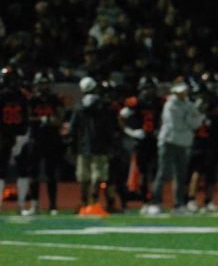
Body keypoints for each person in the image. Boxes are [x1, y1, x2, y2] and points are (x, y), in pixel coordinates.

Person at [144, 79, 203, 216]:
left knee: (181, 174)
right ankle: (155, 203)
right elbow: (177, 125)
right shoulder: (170, 105)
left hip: (183, 143)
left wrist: (190, 119)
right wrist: (190, 119)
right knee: (163, 173)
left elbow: (196, 123)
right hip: (168, 141)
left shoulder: (188, 104)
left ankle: (179, 205)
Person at [68, 76, 115, 215]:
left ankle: (84, 202)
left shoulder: (78, 108)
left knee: (84, 177)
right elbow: (108, 128)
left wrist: (71, 147)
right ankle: (94, 203)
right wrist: (112, 145)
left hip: (83, 147)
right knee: (98, 176)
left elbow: (73, 130)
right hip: (100, 146)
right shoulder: (103, 106)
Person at [23, 71, 64, 215]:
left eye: (46, 83)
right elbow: (26, 118)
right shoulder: (32, 100)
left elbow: (60, 117)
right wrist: (41, 120)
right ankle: (34, 205)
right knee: (33, 174)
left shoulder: (54, 99)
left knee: (51, 174)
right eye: (41, 84)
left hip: (51, 140)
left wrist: (52, 121)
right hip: (36, 139)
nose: (44, 86)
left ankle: (53, 205)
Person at [121, 75, 162, 211]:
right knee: (143, 172)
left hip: (155, 139)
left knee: (156, 171)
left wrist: (160, 130)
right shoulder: (136, 102)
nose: (148, 91)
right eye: (146, 88)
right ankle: (145, 200)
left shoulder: (159, 102)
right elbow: (121, 117)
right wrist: (131, 132)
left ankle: (155, 200)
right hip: (140, 140)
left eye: (150, 88)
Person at [186, 73, 218, 213]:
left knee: (211, 174)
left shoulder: (215, 102)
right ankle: (190, 199)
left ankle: (208, 200)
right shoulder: (193, 103)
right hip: (198, 141)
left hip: (212, 141)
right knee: (196, 172)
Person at [0, 66, 29, 214]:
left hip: (4, 136)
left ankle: (20, 205)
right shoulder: (21, 96)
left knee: (2, 171)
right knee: (22, 170)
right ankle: (21, 205)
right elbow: (26, 119)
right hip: (19, 135)